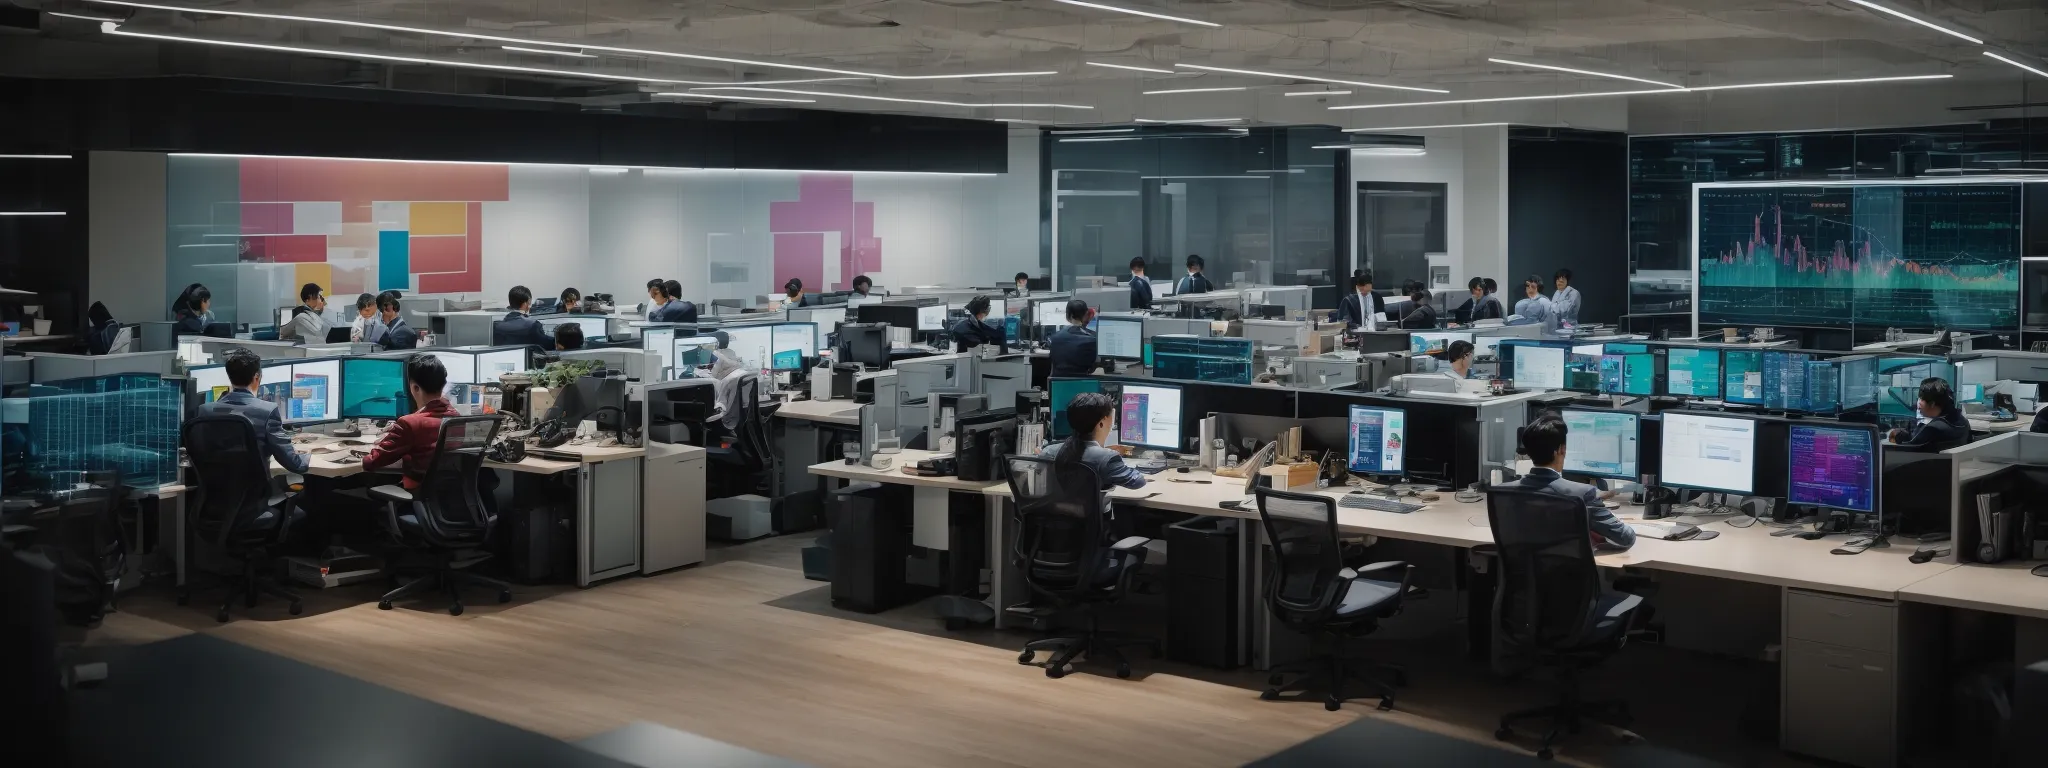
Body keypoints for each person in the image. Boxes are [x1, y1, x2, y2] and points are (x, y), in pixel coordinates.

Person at [1037, 392, 1147, 575]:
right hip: (1090, 553)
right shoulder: (1106, 458)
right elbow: (1137, 482)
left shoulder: (1049, 451)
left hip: (1050, 548)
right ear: (1102, 422)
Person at [1516, 412, 1634, 551]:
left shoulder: (1506, 491)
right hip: (1568, 570)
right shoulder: (1583, 494)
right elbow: (1625, 538)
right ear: (1561, 450)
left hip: (1525, 570)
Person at [190, 350, 310, 475]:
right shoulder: (267, 411)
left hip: (215, 490)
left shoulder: (205, 411)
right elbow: (295, 464)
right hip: (256, 491)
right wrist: (308, 455)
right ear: (256, 377)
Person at [356, 354, 456, 490]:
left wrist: (357, 455)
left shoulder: (409, 424)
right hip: (448, 494)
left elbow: (373, 461)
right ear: (443, 384)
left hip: (417, 492)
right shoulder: (456, 417)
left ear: (415, 388)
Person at [1889, 377, 1970, 451]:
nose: (1918, 403)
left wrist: (1897, 435)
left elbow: (1906, 449)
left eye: (1921, 399)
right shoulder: (1962, 422)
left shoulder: (1932, 429)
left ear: (1932, 404)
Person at [707, 348, 757, 434]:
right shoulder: (744, 374)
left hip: (730, 423)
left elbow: (722, 408)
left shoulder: (728, 381)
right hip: (747, 422)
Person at [1047, 298, 1098, 377]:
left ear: (1068, 315)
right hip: (1084, 385)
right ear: (1086, 315)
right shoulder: (1093, 339)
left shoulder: (1053, 338)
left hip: (1057, 385)